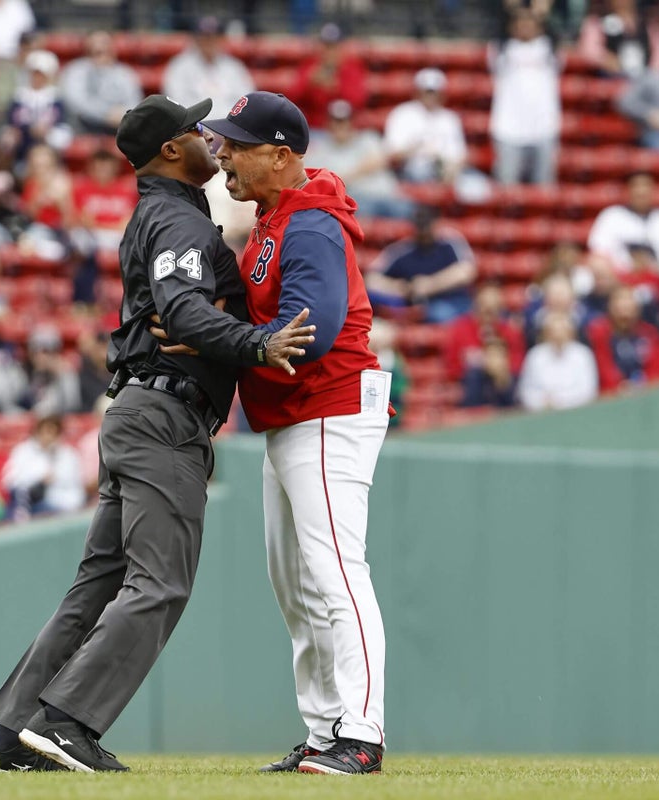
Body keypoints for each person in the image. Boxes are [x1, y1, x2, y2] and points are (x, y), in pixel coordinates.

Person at [0, 94, 315, 774]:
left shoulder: (165, 215)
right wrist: (254, 343)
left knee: (100, 583)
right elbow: (185, 312)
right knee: (159, 582)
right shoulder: (175, 219)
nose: (206, 140)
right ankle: (67, 723)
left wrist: (195, 329)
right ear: (170, 150)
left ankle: (14, 734)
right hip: (163, 417)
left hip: (140, 410)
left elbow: (178, 312)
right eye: (194, 131)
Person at [195, 91, 389, 775]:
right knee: (294, 582)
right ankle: (324, 729)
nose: (223, 153)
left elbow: (315, 327)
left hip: (330, 407)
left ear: (280, 155)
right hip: (292, 416)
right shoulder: (276, 213)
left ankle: (361, 733)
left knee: (334, 571)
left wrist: (230, 342)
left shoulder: (307, 222)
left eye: (237, 144)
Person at [587, 173, 659, 301]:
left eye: (646, 186)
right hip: (617, 287)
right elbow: (599, 253)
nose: (641, 191)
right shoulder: (611, 216)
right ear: (627, 190)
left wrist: (651, 268)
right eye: (636, 186)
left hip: (657, 287)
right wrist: (629, 266)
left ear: (653, 190)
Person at [366, 205, 477, 323]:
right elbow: (371, 279)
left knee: (440, 313)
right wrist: (402, 287)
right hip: (411, 305)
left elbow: (467, 272)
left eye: (426, 224)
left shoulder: (450, 242)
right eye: (419, 225)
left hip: (452, 302)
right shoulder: (403, 249)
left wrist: (430, 284)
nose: (423, 230)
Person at [306, 99, 412, 221]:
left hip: (388, 196)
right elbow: (324, 183)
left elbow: (382, 160)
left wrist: (345, 176)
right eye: (336, 121)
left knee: (410, 210)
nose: (341, 126)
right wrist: (361, 170)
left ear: (352, 122)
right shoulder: (319, 148)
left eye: (345, 121)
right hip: (358, 201)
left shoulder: (368, 138)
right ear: (328, 123)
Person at [489, 8, 561, 186]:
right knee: (507, 184)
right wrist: (509, 8)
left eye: (530, 24)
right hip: (508, 127)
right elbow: (497, 34)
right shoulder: (503, 49)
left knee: (544, 185)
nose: (525, 28)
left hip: (544, 126)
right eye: (520, 23)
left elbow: (557, 35)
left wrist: (543, 11)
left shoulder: (548, 49)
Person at [383, 68, 469, 186]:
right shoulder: (402, 114)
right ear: (418, 92)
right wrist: (416, 149)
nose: (431, 97)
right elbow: (392, 153)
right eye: (427, 92)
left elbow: (459, 155)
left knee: (475, 185)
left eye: (434, 92)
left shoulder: (450, 118)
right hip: (410, 171)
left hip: (444, 170)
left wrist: (450, 168)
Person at [162, 16, 255, 118]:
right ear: (196, 39)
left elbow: (247, 101)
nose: (209, 42)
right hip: (193, 127)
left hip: (228, 127)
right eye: (204, 37)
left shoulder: (234, 67)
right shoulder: (180, 66)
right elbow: (174, 103)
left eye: (213, 37)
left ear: (220, 39)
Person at [1, 410, 84, 519]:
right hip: (32, 505)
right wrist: (39, 480)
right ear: (37, 431)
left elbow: (77, 489)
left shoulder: (69, 455)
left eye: (52, 431)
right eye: (45, 430)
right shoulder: (22, 451)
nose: (48, 436)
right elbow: (9, 482)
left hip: (63, 507)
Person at [585, 285, 659, 393]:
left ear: (637, 308)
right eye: (620, 300)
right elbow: (604, 371)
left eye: (628, 300)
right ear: (610, 307)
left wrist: (644, 386)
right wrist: (621, 389)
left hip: (648, 394)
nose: (624, 305)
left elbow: (657, 371)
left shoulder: (651, 334)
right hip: (614, 399)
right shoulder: (599, 334)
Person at [58, 31, 142, 136]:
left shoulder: (125, 73)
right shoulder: (75, 70)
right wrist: (106, 114)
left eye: (104, 43)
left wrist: (123, 115)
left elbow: (135, 103)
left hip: (119, 128)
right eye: (94, 44)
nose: (99, 47)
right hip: (83, 129)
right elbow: (76, 103)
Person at [286, 23, 366, 128]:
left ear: (341, 47)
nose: (329, 51)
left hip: (345, 131)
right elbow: (290, 100)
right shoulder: (309, 66)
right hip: (314, 129)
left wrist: (336, 87)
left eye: (333, 46)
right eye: (326, 46)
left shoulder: (352, 67)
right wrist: (309, 83)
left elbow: (359, 101)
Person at [516, 311, 599, 411]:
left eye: (562, 330)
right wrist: (541, 403)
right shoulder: (535, 356)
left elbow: (588, 391)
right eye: (553, 331)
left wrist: (560, 401)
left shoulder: (582, 354)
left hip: (577, 411)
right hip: (543, 414)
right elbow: (526, 390)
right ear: (546, 333)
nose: (558, 335)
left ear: (570, 332)